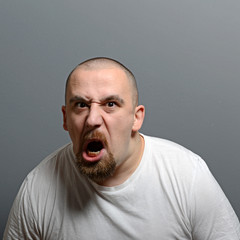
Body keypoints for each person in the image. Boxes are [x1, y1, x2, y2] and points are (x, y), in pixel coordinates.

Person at [4, 57, 240, 239]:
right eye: (81, 105)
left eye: (110, 104)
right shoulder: (37, 189)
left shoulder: (188, 177)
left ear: (136, 118)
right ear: (66, 118)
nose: (92, 119)